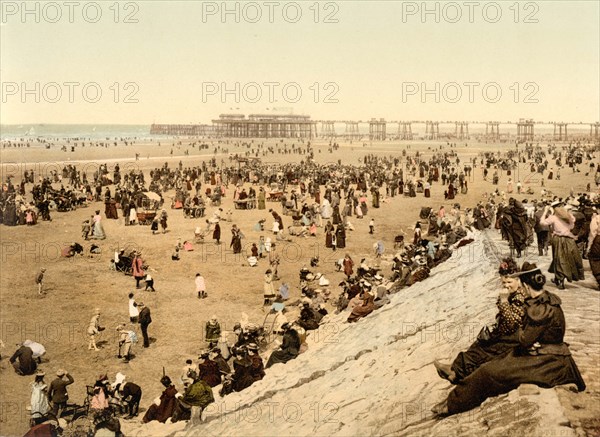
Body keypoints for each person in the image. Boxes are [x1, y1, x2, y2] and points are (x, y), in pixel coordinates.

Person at [432, 262, 586, 416]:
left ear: (525, 285)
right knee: (491, 364)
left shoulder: (541, 309)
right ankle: (455, 393)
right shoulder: (545, 300)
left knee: (488, 371)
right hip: (544, 355)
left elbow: (525, 339)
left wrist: (526, 337)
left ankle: (453, 404)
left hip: (549, 362)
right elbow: (531, 336)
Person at [434, 258, 527, 384]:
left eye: (509, 282)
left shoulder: (520, 297)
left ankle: (455, 373)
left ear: (518, 280)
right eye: (503, 283)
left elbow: (512, 322)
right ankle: (454, 370)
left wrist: (504, 301)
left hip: (513, 337)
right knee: (479, 345)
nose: (506, 286)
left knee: (483, 352)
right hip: (504, 332)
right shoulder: (513, 294)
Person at [540, 204, 585, 289]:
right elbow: (572, 226)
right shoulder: (569, 217)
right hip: (569, 240)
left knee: (559, 259)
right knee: (568, 259)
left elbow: (542, 223)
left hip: (558, 239)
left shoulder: (553, 217)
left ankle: (559, 279)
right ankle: (560, 278)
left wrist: (545, 211)